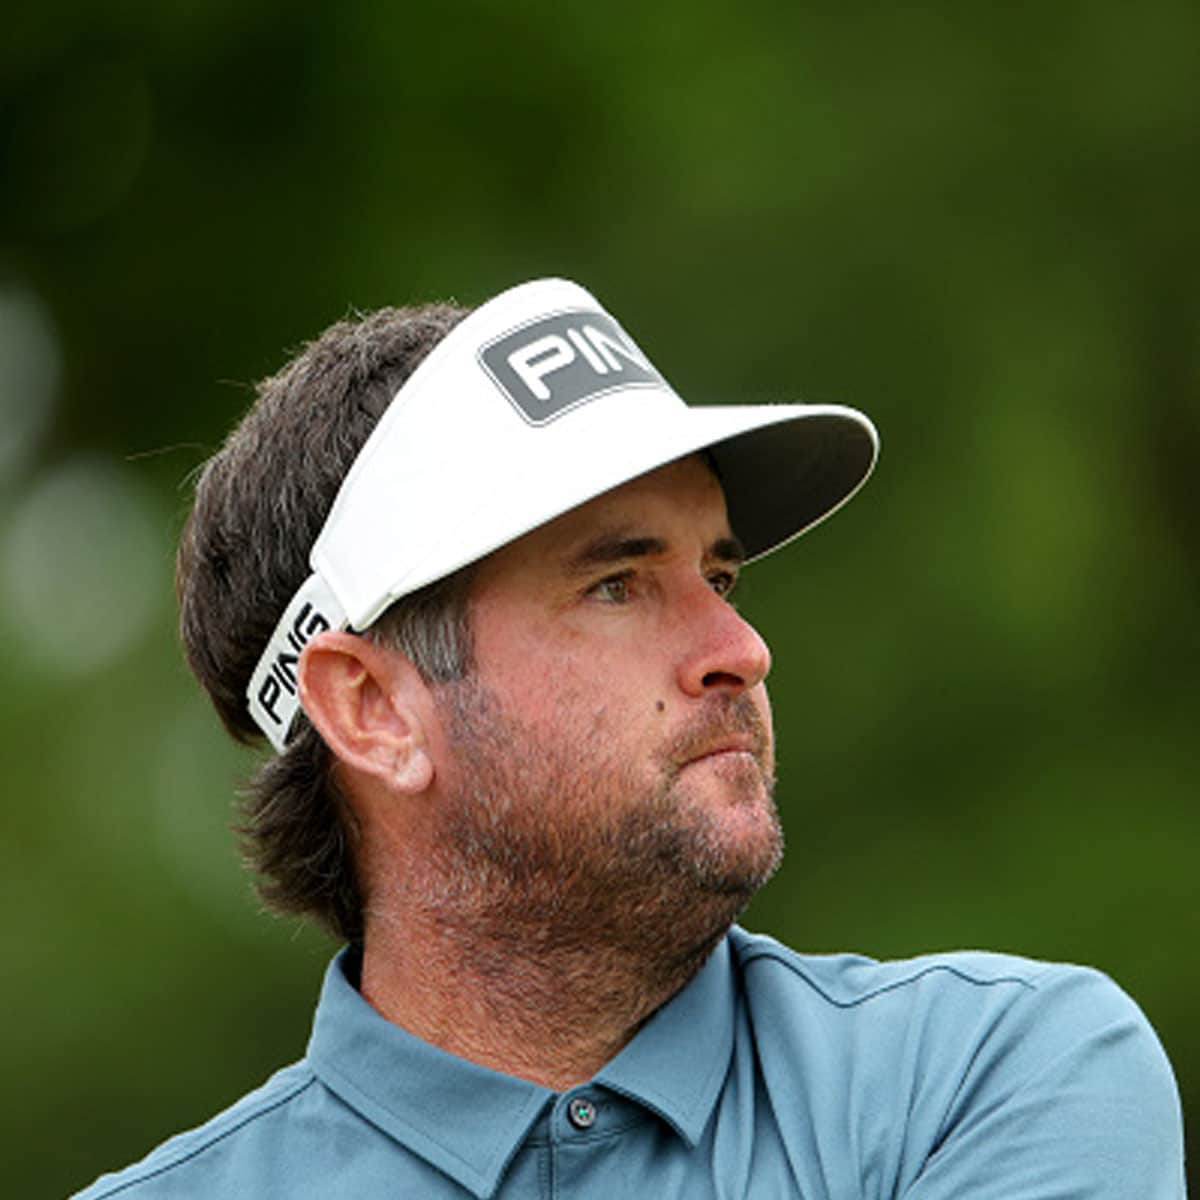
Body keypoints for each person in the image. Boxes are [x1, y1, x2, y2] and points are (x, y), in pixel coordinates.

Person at [75, 278, 1186, 1198]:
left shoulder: (993, 1075)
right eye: (617, 584)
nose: (740, 647)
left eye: (719, 573)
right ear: (374, 708)